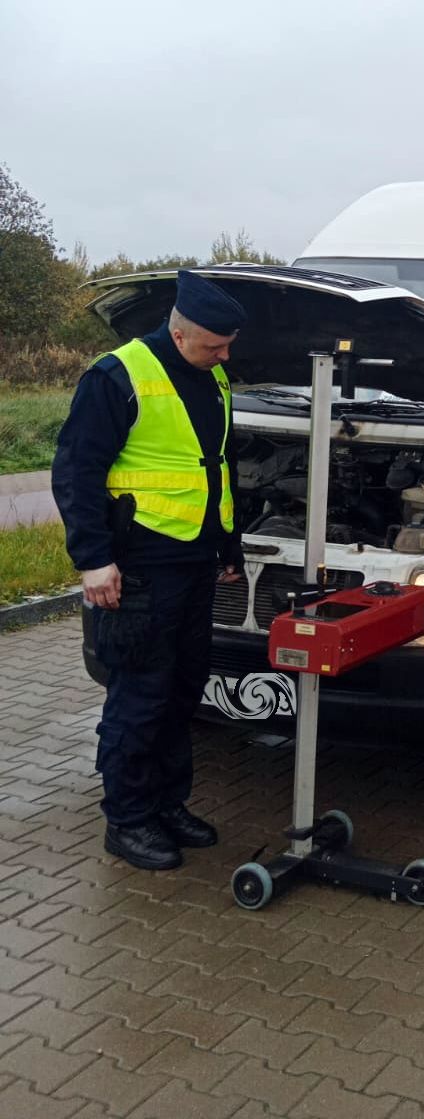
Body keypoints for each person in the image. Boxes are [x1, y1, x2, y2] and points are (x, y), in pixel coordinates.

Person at [52, 271, 246, 871]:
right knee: (139, 692)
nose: (225, 356)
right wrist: (92, 560)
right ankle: (128, 818)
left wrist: (228, 547)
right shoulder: (118, 375)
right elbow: (76, 471)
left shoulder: (212, 375)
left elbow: (216, 466)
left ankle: (168, 803)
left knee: (183, 689)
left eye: (228, 345)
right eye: (215, 345)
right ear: (179, 331)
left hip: (193, 560)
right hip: (137, 566)